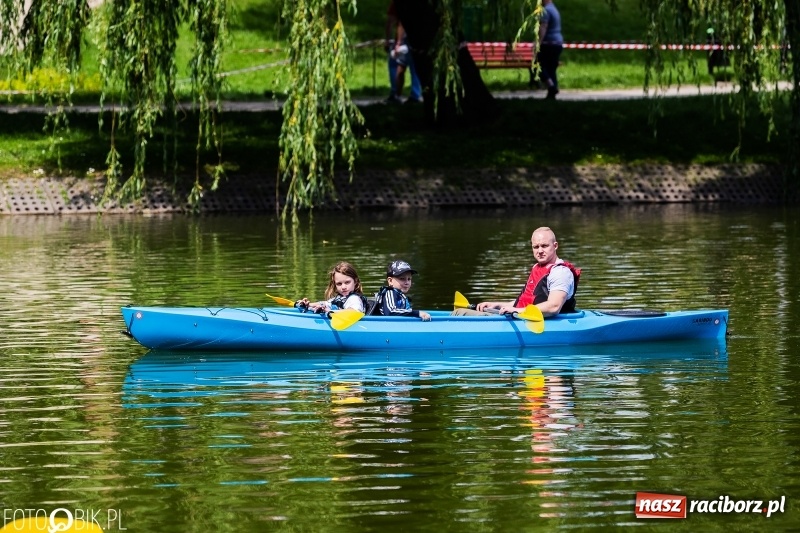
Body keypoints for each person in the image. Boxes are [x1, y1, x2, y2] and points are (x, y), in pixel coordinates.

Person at [452, 227, 580, 317]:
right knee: (462, 312)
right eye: (536, 247)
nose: (540, 251)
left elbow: (553, 307)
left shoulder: (560, 272)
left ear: (555, 246)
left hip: (538, 322)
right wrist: (496, 305)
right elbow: (525, 302)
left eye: (544, 246)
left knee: (459, 313)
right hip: (522, 318)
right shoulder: (537, 267)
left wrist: (517, 311)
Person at [296, 261, 367, 315]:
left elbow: (354, 312)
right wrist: (308, 304)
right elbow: (325, 303)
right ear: (335, 284)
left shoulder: (354, 299)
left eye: (347, 282)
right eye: (339, 284)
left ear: (355, 281)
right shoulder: (340, 298)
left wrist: (330, 311)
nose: (343, 287)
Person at [386, 0, 422, 104]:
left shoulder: (399, 4)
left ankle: (397, 94)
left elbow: (395, 23)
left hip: (406, 40)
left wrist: (397, 42)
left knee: (399, 66)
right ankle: (411, 94)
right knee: (407, 67)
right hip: (414, 39)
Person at [537, 0, 563, 99]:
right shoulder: (554, 9)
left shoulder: (546, 11)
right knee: (551, 68)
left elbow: (543, 27)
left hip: (548, 43)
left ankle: (551, 86)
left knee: (537, 65)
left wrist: (538, 43)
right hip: (557, 43)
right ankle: (552, 93)